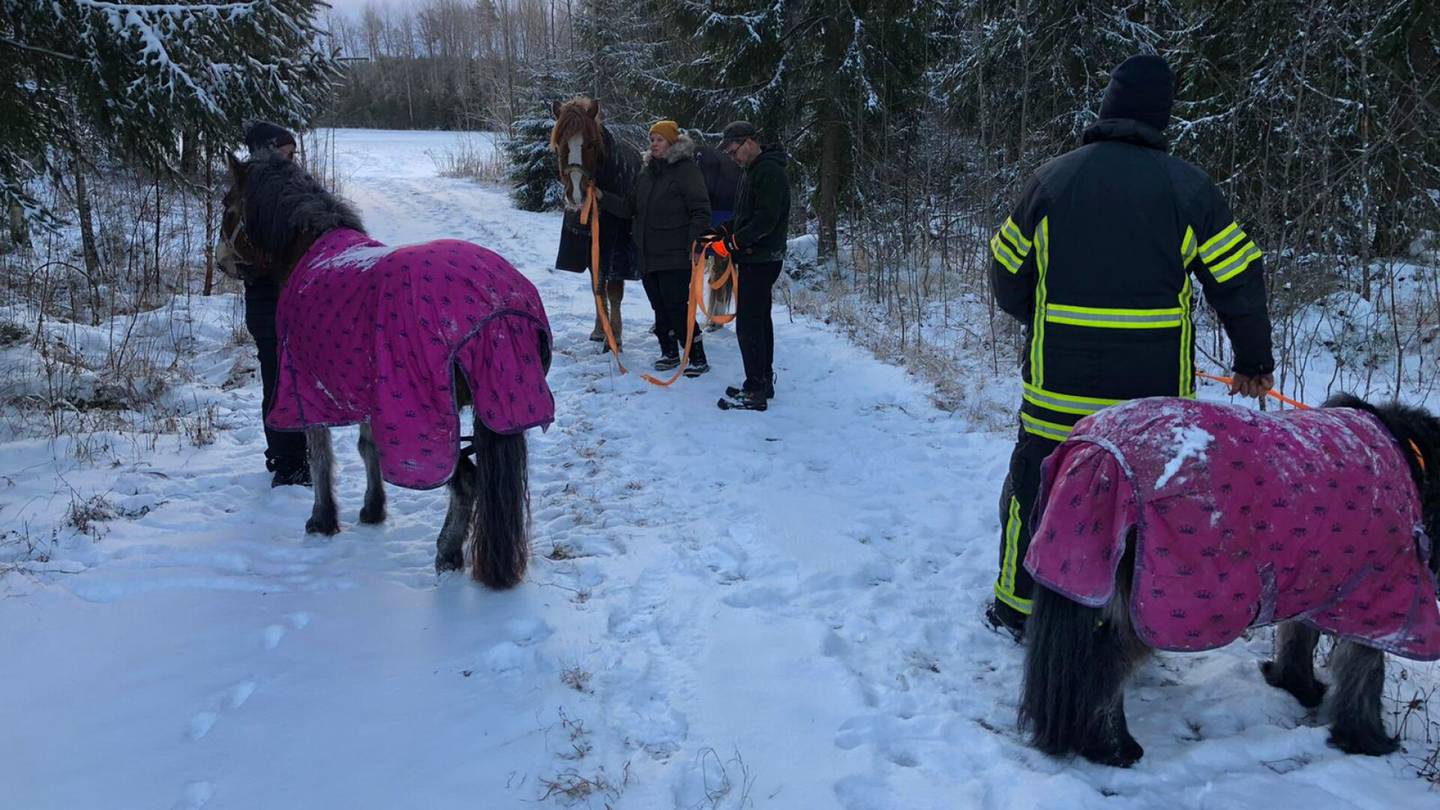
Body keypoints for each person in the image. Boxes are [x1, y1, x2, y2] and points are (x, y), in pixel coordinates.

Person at [984, 55, 1275, 641]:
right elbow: (1239, 278)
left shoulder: (1053, 179)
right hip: (1149, 402)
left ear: (1107, 107)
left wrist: (1043, 320)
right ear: (1162, 117)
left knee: (1035, 484)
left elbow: (1005, 269)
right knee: (1145, 500)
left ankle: (1017, 607)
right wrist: (1253, 362)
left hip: (1056, 387)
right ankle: (1132, 614)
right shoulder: (1189, 189)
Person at [598, 120, 712, 376]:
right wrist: (602, 198)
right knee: (659, 306)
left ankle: (697, 356)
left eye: (659, 139)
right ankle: (669, 351)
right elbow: (630, 208)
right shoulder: (647, 172)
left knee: (676, 306)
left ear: (672, 142)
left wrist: (695, 243)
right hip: (648, 254)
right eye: (651, 139)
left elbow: (701, 210)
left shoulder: (686, 170)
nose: (654, 143)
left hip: (675, 253)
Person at [239, 121, 308, 486]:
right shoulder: (252, 192)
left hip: (292, 299)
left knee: (294, 377)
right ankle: (286, 462)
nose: (292, 160)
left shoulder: (291, 187)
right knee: (278, 379)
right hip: (268, 301)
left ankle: (301, 455)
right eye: (286, 153)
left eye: (293, 154)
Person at [712, 121, 790, 411]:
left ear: (748, 142)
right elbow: (747, 216)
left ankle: (756, 388)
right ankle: (761, 381)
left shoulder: (768, 171)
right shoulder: (753, 170)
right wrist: (724, 230)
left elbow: (765, 221)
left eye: (734, 151)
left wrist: (732, 243)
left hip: (762, 257)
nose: (733, 158)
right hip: (755, 256)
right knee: (758, 320)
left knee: (749, 324)